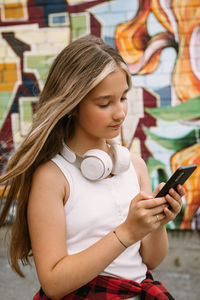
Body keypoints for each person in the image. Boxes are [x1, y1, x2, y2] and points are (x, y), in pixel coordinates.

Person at [0, 35, 185, 300]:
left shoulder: (134, 166)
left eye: (122, 98)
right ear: (72, 105)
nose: (120, 112)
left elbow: (151, 261)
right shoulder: (52, 178)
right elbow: (53, 283)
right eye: (104, 103)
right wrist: (126, 232)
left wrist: (157, 223)